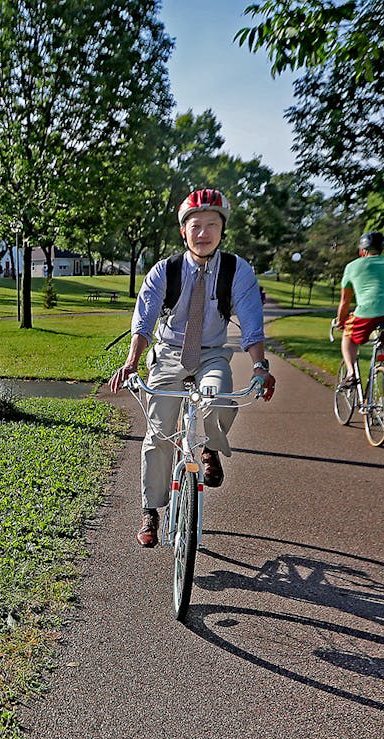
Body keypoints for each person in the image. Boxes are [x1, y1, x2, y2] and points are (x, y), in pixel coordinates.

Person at [107, 189, 277, 547]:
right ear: (183, 231)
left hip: (212, 353)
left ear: (222, 230)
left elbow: (251, 323)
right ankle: (151, 511)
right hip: (169, 354)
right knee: (158, 432)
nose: (203, 233)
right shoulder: (164, 271)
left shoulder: (236, 270)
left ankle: (210, 447)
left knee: (220, 396)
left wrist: (260, 366)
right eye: (196, 225)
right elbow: (144, 323)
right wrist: (131, 363)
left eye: (212, 225)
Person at [335, 231, 384, 386]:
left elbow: (345, 301)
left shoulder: (352, 266)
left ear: (362, 250)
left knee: (348, 336)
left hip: (368, 312)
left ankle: (350, 373)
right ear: (382, 248)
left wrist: (340, 321)